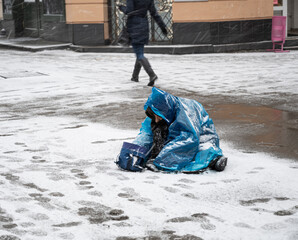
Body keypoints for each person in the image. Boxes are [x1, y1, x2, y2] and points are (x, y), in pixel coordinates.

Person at [131, 87, 228, 173]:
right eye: (154, 117)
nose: (156, 120)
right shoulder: (158, 111)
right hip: (175, 137)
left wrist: (161, 161)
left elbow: (189, 138)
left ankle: (214, 159)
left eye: (158, 117)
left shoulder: (188, 110)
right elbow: (146, 134)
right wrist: (134, 151)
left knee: (199, 157)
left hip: (201, 138)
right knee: (156, 139)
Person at [118, 0, 168, 87]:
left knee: (139, 54)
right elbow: (154, 14)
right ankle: (135, 77)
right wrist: (162, 26)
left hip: (134, 26)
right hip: (144, 25)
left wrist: (121, 8)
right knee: (139, 51)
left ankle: (152, 75)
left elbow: (129, 10)